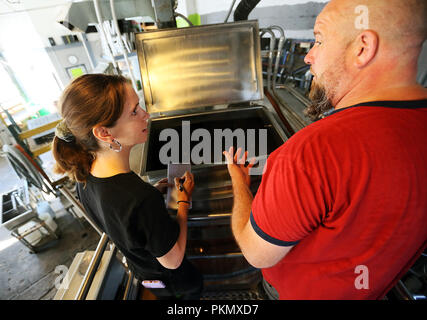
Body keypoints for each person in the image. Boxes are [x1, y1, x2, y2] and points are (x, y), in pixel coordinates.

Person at [223, 0, 427, 299]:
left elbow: (257, 254)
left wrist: (240, 184)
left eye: (319, 40)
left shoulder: (311, 155)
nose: (308, 56)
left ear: (362, 47)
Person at [52, 73, 203, 299]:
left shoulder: (84, 178)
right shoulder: (140, 198)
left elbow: (124, 220)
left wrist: (153, 193)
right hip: (175, 283)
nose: (146, 115)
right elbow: (174, 259)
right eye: (134, 112)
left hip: (147, 277)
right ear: (104, 133)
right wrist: (183, 201)